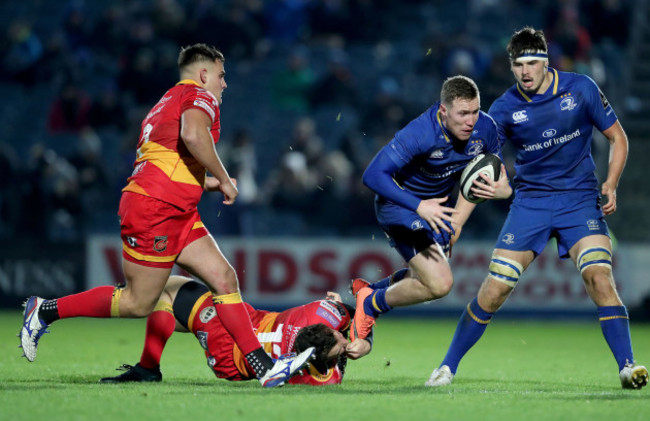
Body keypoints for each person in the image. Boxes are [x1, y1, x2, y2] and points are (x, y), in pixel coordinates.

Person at [19, 43, 313, 387]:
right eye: (221, 75)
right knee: (137, 302)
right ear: (203, 74)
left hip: (175, 208)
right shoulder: (199, 96)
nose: (225, 84)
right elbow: (193, 136)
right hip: (155, 210)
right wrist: (224, 178)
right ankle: (43, 310)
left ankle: (264, 368)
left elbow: (169, 164)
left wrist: (212, 184)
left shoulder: (165, 103)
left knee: (223, 278)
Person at [426, 27, 648, 390]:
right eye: (519, 64)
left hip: (579, 201)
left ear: (547, 61)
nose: (526, 71)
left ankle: (627, 366)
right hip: (531, 204)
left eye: (533, 62)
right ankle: (446, 367)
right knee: (495, 290)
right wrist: (462, 219)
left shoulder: (581, 89)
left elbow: (617, 137)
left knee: (599, 278)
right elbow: (482, 170)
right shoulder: (503, 110)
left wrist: (611, 183)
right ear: (511, 67)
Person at [350, 76, 512, 343]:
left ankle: (369, 290)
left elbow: (491, 177)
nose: (470, 121)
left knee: (422, 278)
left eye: (474, 111)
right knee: (440, 284)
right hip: (400, 206)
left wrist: (497, 194)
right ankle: (371, 303)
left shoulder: (486, 128)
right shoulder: (420, 133)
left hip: (438, 211)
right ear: (443, 110)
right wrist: (419, 205)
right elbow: (373, 176)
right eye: (462, 114)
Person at [98, 276, 372, 385]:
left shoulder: (319, 312)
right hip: (231, 361)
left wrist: (351, 326)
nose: (344, 338)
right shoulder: (319, 380)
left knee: (168, 289)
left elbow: (356, 305)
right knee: (168, 305)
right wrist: (365, 342)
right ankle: (148, 366)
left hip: (234, 330)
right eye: (342, 336)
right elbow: (364, 314)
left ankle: (147, 367)